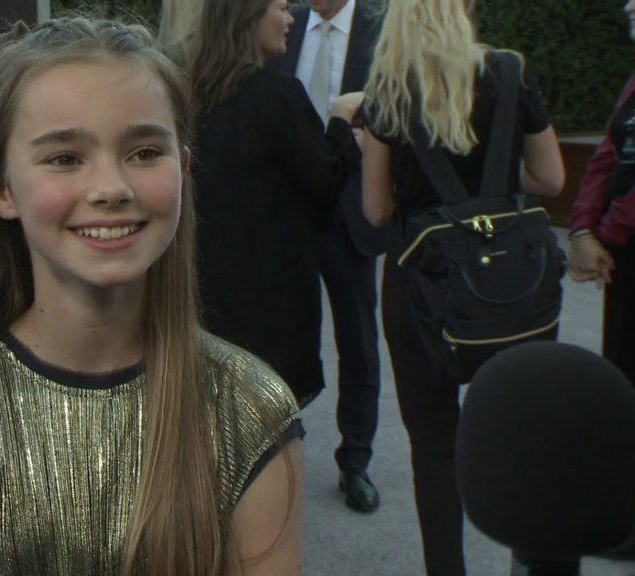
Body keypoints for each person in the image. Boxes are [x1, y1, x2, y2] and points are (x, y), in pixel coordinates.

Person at [0, 17, 306, 575]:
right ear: (2, 188)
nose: (111, 188)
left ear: (183, 168)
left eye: (144, 152)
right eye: (64, 158)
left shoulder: (249, 409)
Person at [360, 0, 565, 574]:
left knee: (433, 445)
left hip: (423, 291)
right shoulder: (509, 71)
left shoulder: (388, 91)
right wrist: (493, 188)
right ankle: (536, 564)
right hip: (512, 284)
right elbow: (551, 178)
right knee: (523, 433)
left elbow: (376, 210)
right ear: (466, 7)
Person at [189, 0, 362, 410]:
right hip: (273, 293)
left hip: (205, 286)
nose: (290, 19)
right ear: (248, 15)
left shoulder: (190, 92)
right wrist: (341, 121)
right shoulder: (277, 95)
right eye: (282, 8)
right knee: (271, 422)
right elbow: (324, 177)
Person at [266, 0, 385, 514]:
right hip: (286, 209)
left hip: (352, 211)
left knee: (358, 340)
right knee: (280, 334)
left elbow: (402, 109)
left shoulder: (379, 28)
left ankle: (355, 459)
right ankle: (272, 450)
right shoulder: (281, 24)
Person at [568, 0, 635, 387]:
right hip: (623, 253)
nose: (629, 6)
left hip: (621, 241)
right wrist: (582, 230)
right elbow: (606, 155)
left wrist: (605, 235)